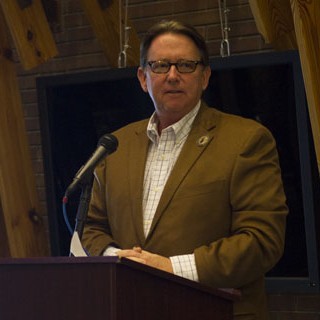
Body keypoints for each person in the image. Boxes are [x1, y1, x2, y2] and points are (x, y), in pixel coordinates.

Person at [82, 20, 288, 319]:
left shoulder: (246, 139)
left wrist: (170, 268)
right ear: (143, 78)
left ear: (205, 77)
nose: (173, 76)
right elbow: (90, 227)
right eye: (161, 65)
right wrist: (119, 261)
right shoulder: (116, 145)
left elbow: (261, 241)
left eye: (186, 65)